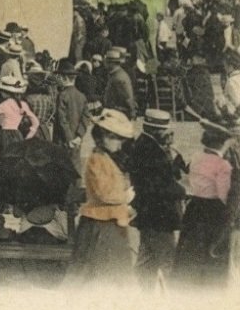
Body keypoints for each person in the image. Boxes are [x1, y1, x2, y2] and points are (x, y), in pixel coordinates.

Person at [66, 109, 136, 286]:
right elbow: (103, 192)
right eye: (115, 138)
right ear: (103, 137)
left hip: (112, 221)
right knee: (99, 272)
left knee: (114, 271)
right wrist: (125, 196)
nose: (119, 144)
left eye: (121, 139)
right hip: (100, 223)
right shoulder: (97, 159)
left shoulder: (107, 158)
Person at [128, 109, 187, 289]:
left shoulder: (146, 145)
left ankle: (143, 297)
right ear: (155, 130)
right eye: (166, 131)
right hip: (159, 214)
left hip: (149, 214)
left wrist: (173, 157)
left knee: (147, 259)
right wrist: (184, 192)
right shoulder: (152, 152)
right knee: (169, 261)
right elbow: (162, 185)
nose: (169, 135)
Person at [173, 127, 232, 288]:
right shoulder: (223, 165)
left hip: (195, 206)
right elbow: (223, 194)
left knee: (191, 248)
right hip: (213, 210)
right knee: (212, 250)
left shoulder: (196, 157)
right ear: (222, 143)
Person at [0, 76, 38, 152]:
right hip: (17, 134)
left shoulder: (5, 104)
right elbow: (36, 122)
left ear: (5, 92)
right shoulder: (23, 104)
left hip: (5, 135)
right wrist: (29, 136)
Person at [102, 48, 136, 119]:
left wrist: (132, 112)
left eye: (107, 62)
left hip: (118, 114)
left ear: (112, 63)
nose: (105, 64)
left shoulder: (119, 78)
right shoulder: (115, 74)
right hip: (113, 112)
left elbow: (128, 98)